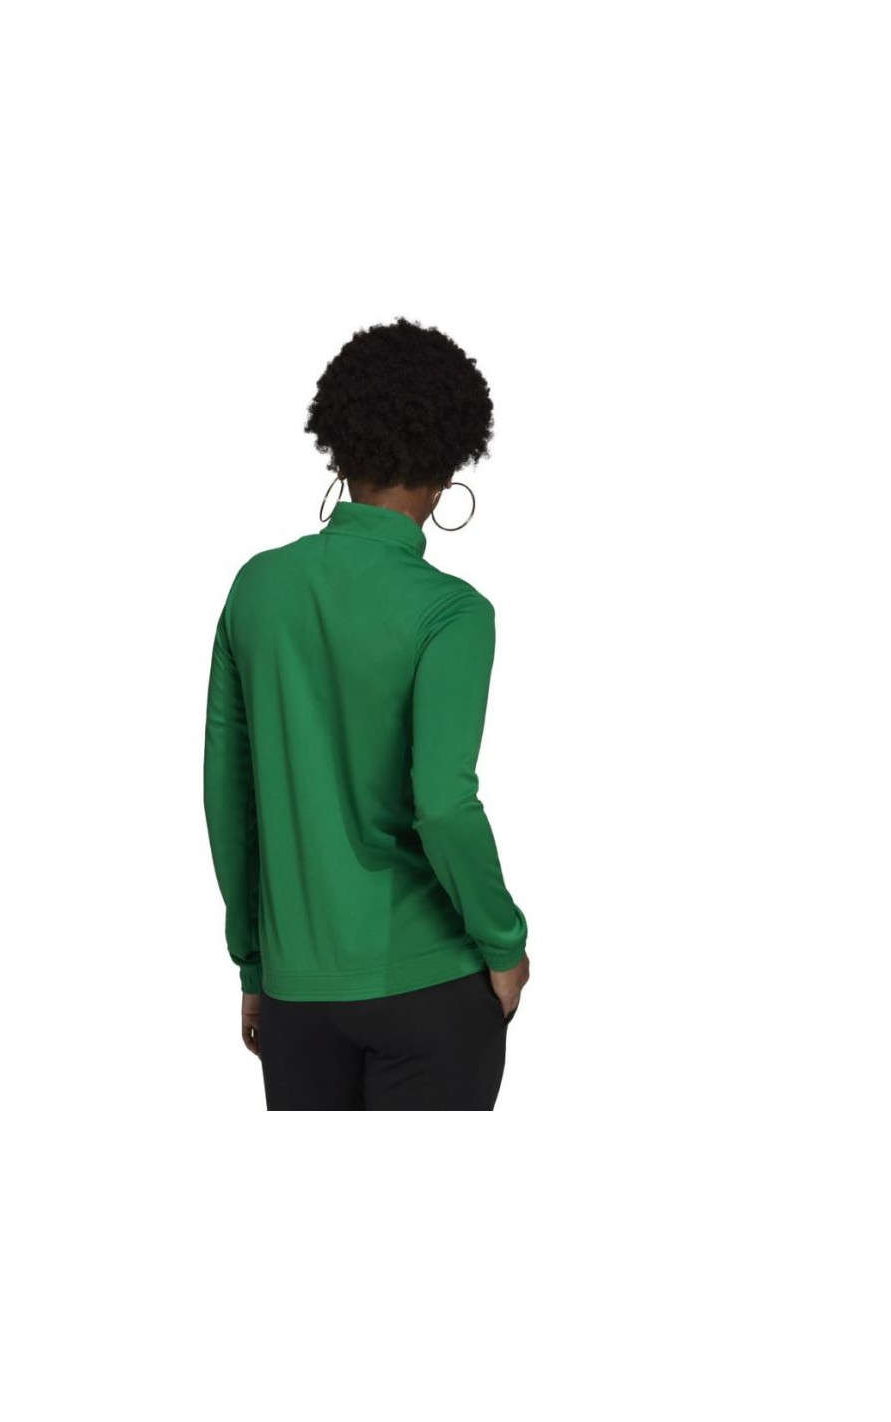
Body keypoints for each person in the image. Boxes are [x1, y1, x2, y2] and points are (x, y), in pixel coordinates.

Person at [203, 316, 530, 1110]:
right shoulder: (452, 613)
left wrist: (255, 964)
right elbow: (442, 802)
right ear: (451, 464)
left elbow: (229, 799)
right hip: (432, 986)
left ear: (337, 446)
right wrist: (504, 942)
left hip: (298, 995)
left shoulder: (257, 589)